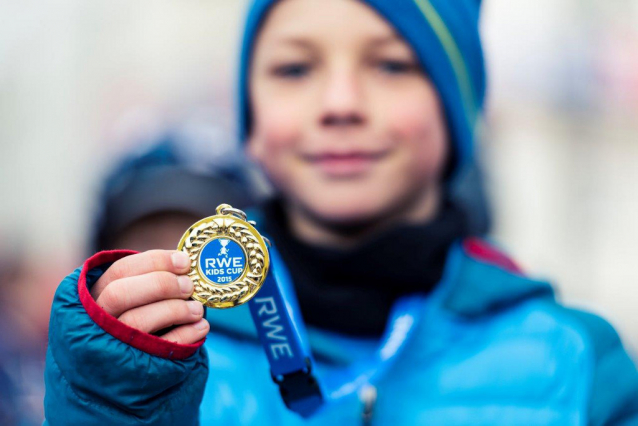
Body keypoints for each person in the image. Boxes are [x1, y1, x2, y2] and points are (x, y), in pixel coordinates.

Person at [44, 0, 638, 425]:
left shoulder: (578, 358)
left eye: (392, 65)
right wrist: (115, 405)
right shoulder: (161, 353)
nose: (340, 103)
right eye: (295, 69)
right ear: (250, 123)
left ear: (458, 113)